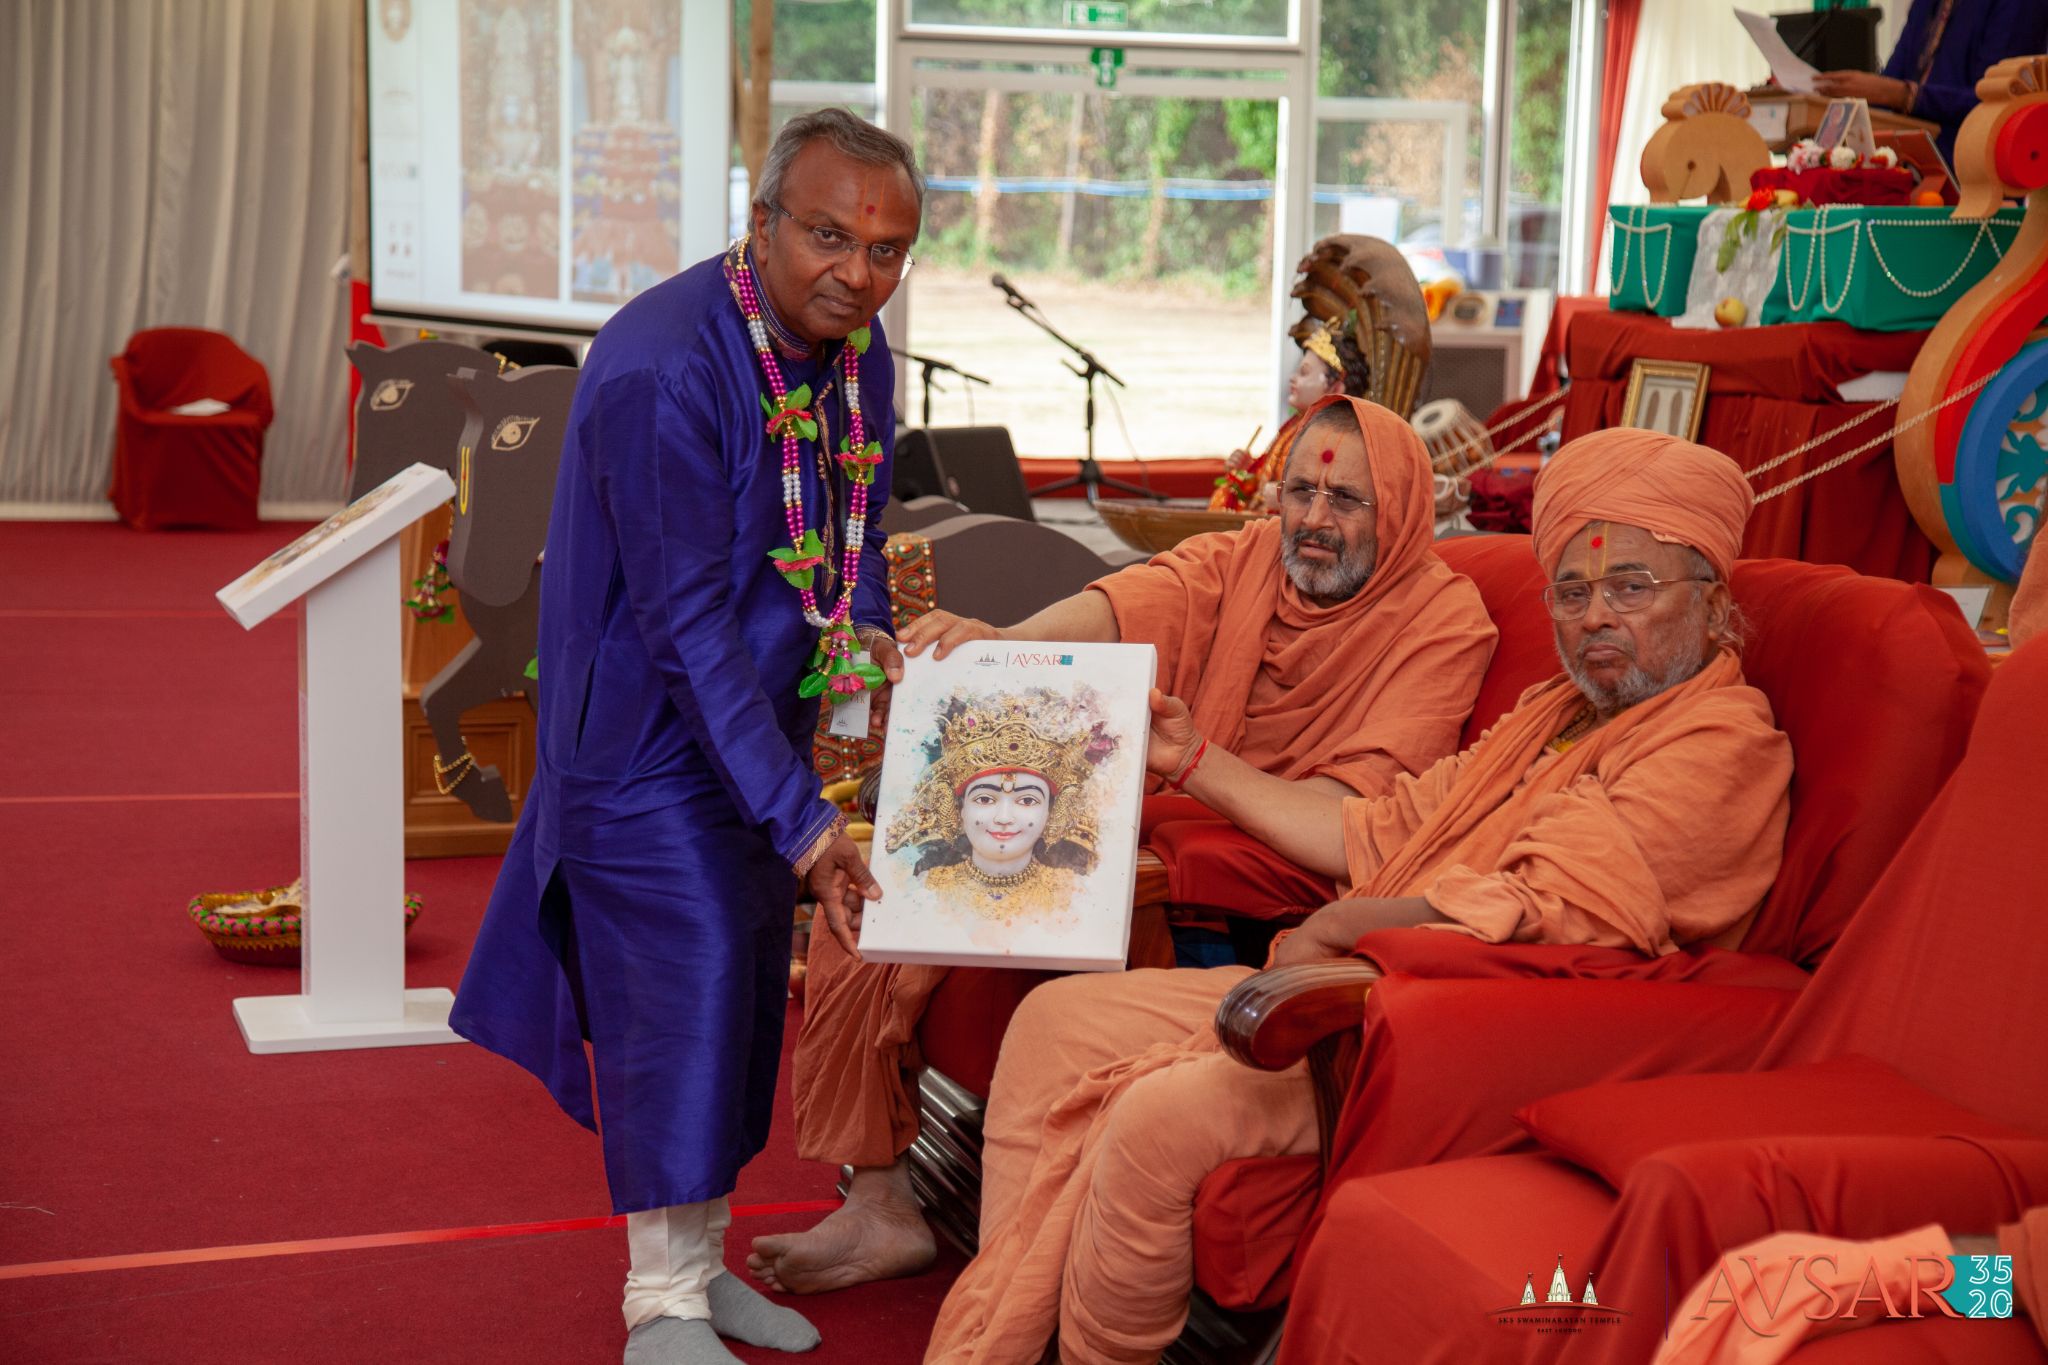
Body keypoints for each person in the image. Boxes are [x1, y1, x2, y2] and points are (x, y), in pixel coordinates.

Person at [921, 428, 1797, 1365]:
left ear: (1712, 602)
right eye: (1573, 593)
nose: (1596, 618)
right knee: (1056, 1022)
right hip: (1366, 979)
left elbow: (1546, 909)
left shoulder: (1721, 739)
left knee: (1154, 1119)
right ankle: (1005, 1333)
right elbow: (1374, 829)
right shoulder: (1556, 712)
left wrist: (1343, 925)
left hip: (1450, 1027)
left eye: (1632, 586)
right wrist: (1193, 760)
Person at [746, 395, 1497, 1296]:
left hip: (1259, 891)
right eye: (1299, 492)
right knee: (876, 896)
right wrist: (1005, 645)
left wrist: (1196, 765)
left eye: (1346, 503)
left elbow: (1343, 825)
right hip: (1166, 821)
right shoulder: (1248, 558)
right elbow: (1125, 604)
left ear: (1405, 509)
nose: (1313, 521)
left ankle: (1052, 1247)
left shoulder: (1443, 621)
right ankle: (881, 1198)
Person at [447, 109, 923, 1365]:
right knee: (682, 991)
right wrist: (810, 822)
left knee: (741, 1002)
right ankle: (652, 1304)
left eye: (887, 250)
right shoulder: (663, 363)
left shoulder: (859, 355)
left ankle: (699, 1271)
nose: (857, 273)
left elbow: (858, 532)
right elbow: (683, 623)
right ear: (758, 221)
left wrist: (868, 647)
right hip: (644, 742)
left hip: (759, 735)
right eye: (828, 235)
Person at [1812, 0, 2048, 164]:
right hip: (1905, 166)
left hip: (1973, 177)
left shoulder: (2020, 5)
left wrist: (1908, 97)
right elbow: (1891, 85)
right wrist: (1821, 95)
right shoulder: (1926, 4)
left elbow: (1996, 101)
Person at [1210, 315, 1372, 511]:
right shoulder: (1294, 427)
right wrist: (1246, 472)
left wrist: (1286, 498)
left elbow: (1339, 501)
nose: (1293, 378)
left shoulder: (1342, 440)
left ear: (1336, 387)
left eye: (1304, 372)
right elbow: (1263, 486)